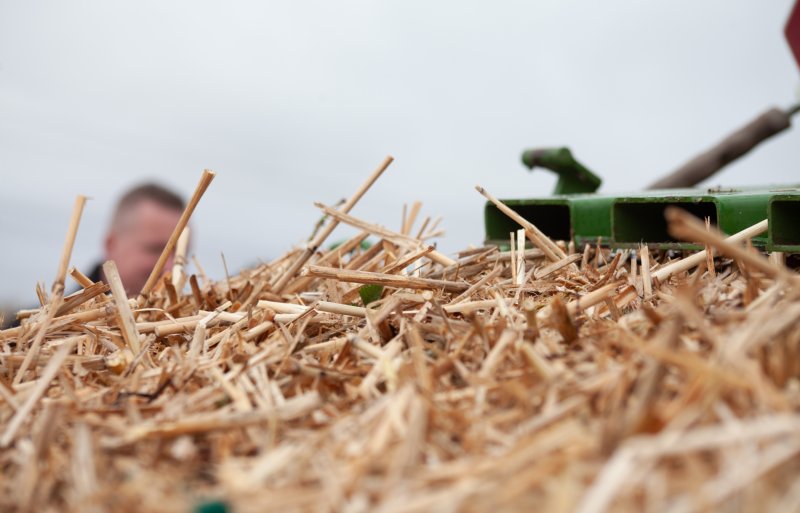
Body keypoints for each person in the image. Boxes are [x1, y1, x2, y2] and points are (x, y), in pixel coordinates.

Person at [86, 183, 185, 296]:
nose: (171, 268)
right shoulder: (62, 312)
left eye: (181, 254)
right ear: (111, 245)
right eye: (157, 250)